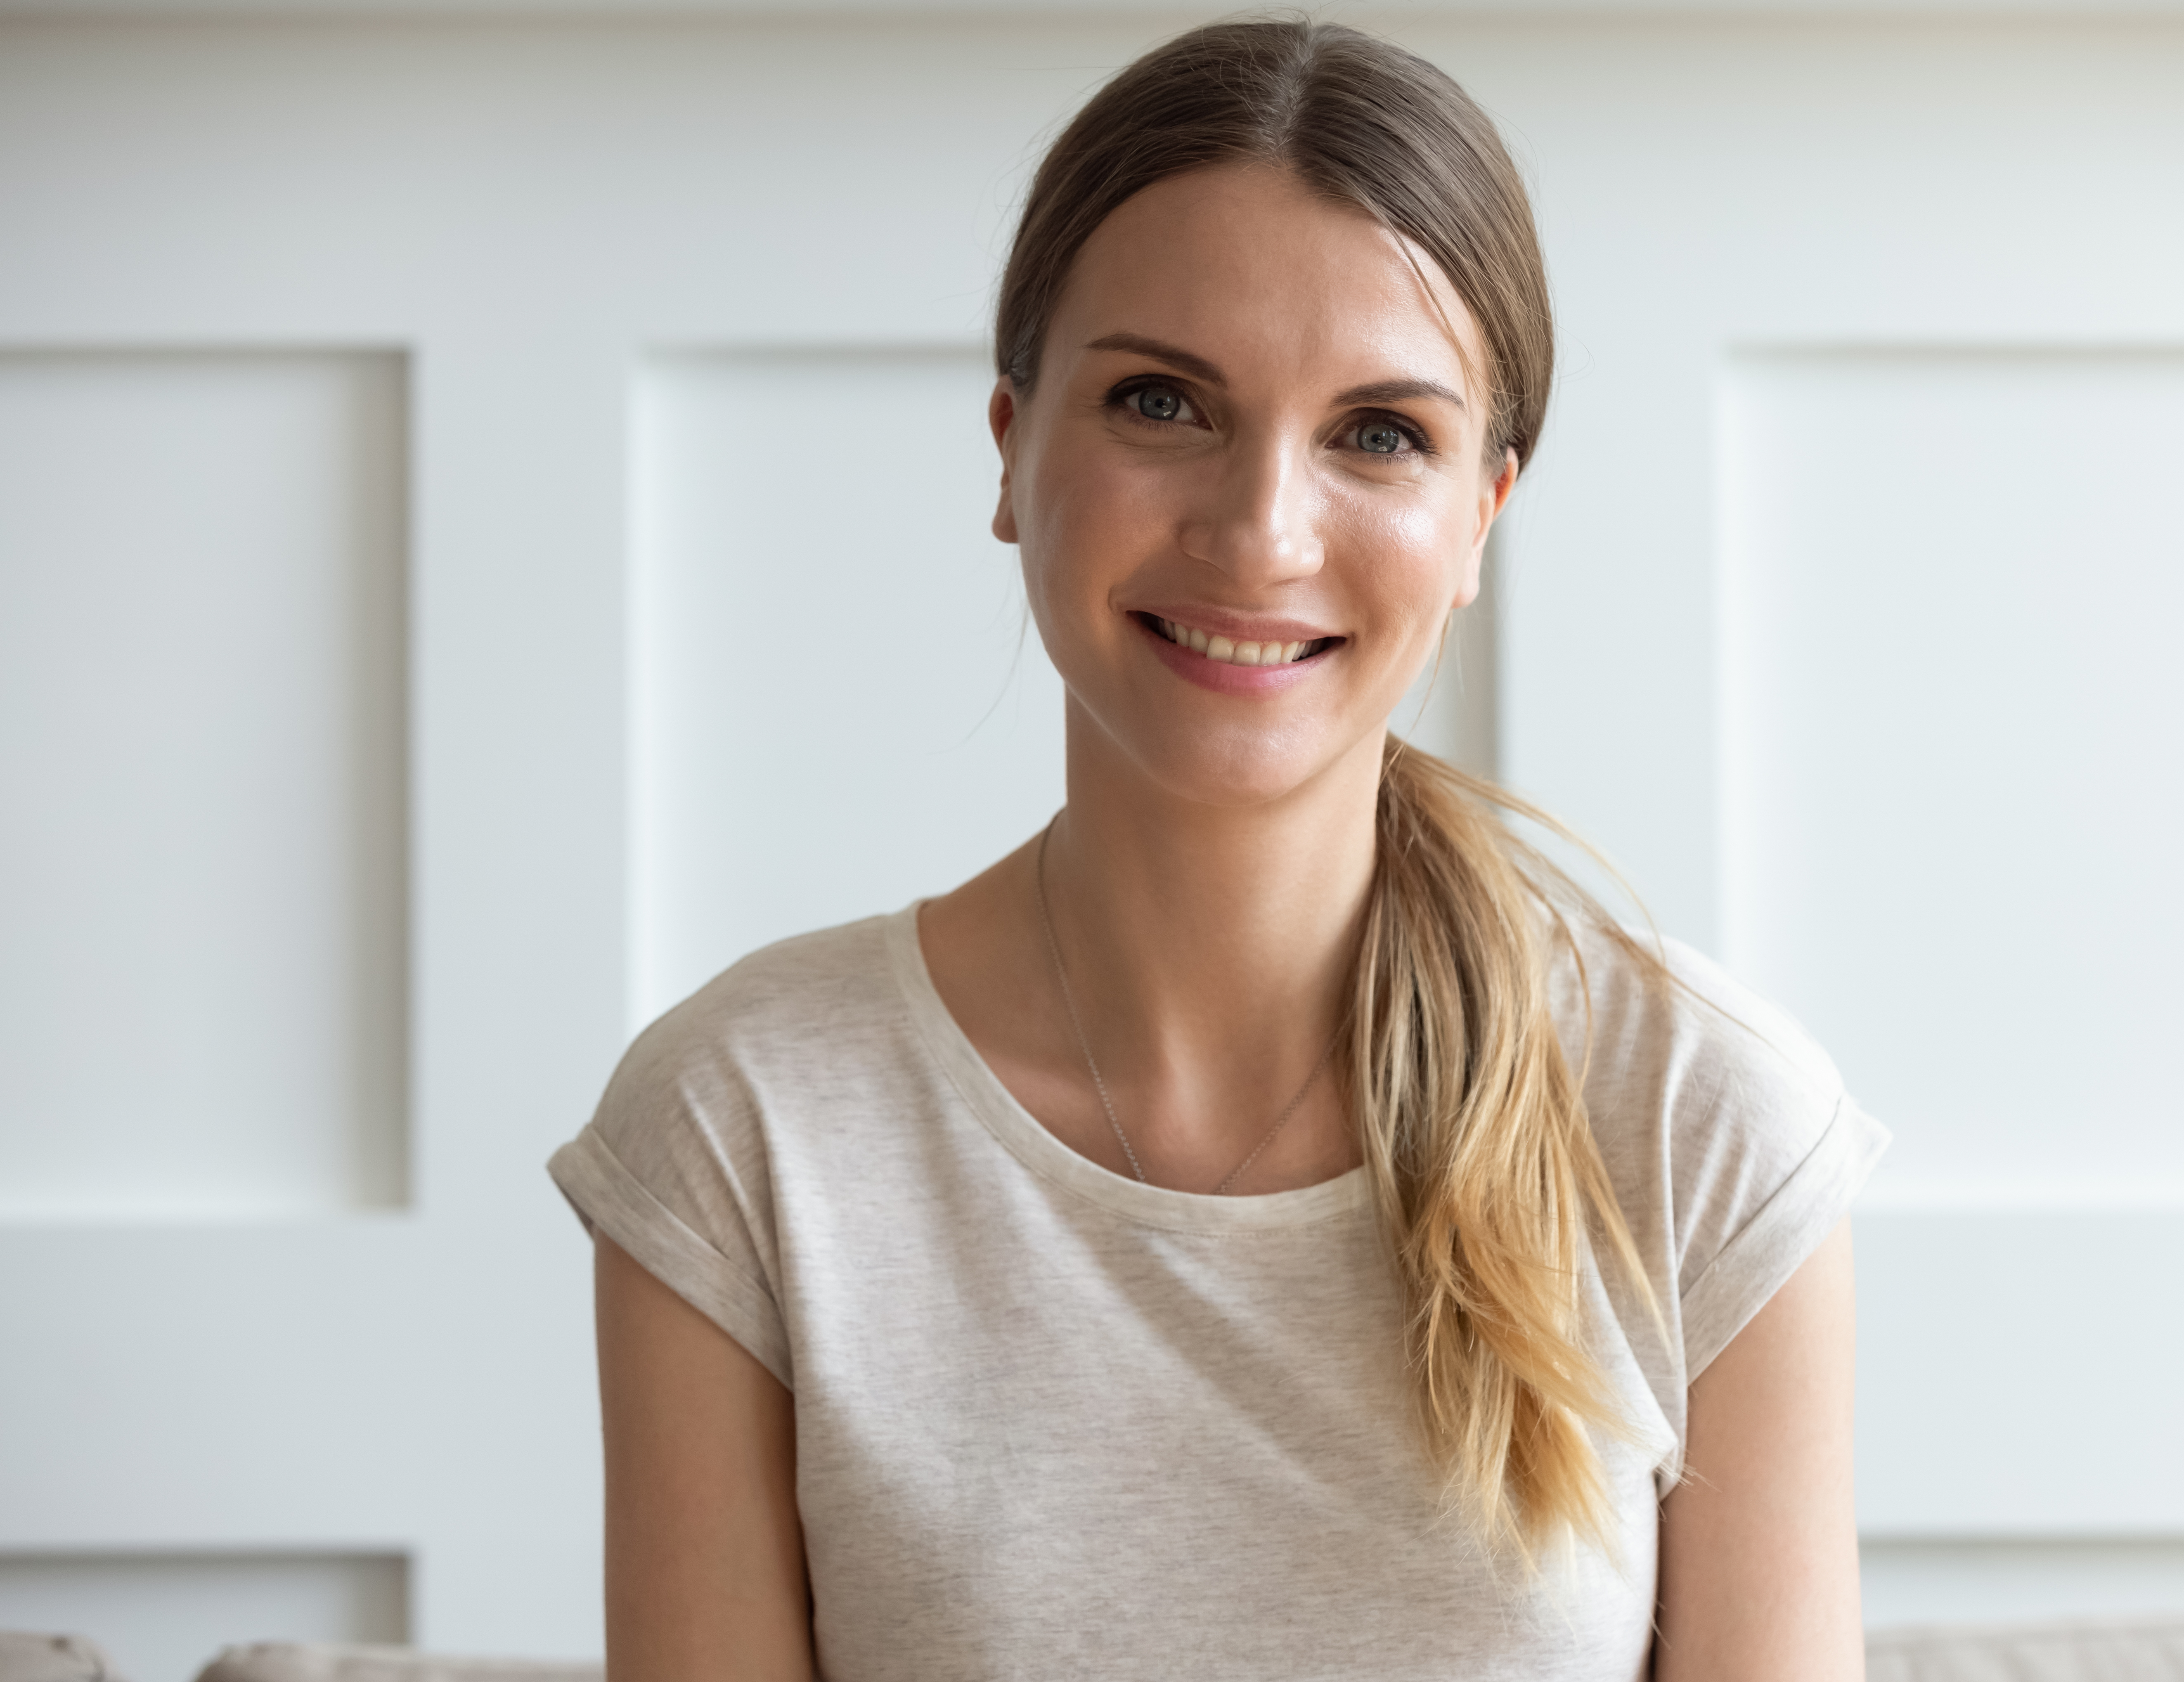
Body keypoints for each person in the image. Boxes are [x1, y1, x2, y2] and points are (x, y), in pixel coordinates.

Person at [549, 17, 1888, 1681]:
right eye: (1161, 401)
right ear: (1010, 451)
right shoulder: (747, 1130)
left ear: (1483, 510)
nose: (1259, 529)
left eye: (1379, 432)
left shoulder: (1701, 1125)